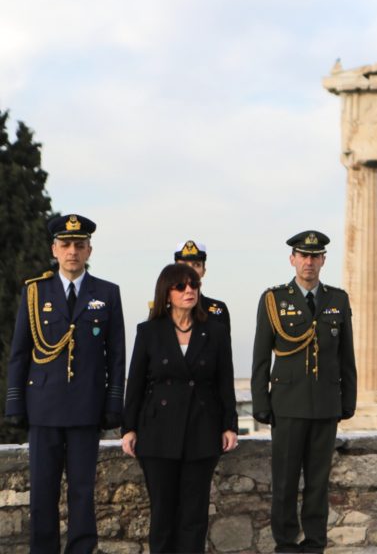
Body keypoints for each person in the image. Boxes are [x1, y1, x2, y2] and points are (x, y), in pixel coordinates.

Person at [5, 214, 125, 554]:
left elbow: (116, 357)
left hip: (87, 407)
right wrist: (14, 404)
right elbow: (19, 353)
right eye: (65, 245)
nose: (72, 251)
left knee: (83, 492)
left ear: (89, 250)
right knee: (43, 493)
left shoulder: (107, 293)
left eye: (79, 245)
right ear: (54, 249)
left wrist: (114, 404)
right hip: (43, 407)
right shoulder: (34, 293)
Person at [251, 231, 356, 554]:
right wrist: (261, 403)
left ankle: (314, 544)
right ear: (292, 259)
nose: (309, 262)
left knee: (317, 482)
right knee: (284, 481)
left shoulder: (337, 300)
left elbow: (345, 357)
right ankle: (285, 543)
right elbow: (260, 356)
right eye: (303, 256)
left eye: (315, 256)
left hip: (325, 404)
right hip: (288, 404)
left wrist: (347, 401)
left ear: (323, 260)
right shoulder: (274, 299)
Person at [120, 263, 237, 553]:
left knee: (194, 515)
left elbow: (225, 382)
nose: (190, 291)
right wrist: (129, 428)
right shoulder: (149, 331)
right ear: (166, 292)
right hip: (158, 432)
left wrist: (229, 425)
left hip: (202, 430)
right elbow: (134, 384)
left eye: (194, 285)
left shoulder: (215, 331)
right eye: (181, 286)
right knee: (163, 513)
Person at [173, 240, 231, 324]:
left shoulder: (218, 310)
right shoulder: (164, 309)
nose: (190, 270)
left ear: (204, 271)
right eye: (184, 265)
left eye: (196, 265)